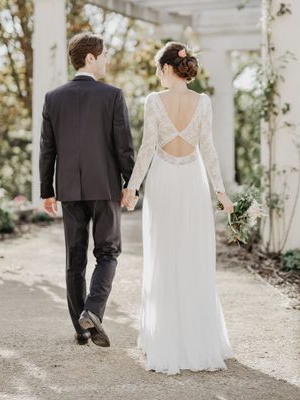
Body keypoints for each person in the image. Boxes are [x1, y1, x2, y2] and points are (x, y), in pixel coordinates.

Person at [124, 41, 235, 375]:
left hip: (163, 182)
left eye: (158, 68)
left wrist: (132, 187)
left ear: (166, 68)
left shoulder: (154, 101)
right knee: (194, 256)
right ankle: (199, 340)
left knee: (164, 255)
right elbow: (209, 150)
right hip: (192, 182)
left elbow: (146, 148)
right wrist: (221, 191)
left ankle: (166, 339)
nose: (158, 74)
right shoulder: (203, 102)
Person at [39, 32, 136, 347]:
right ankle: (92, 310)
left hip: (68, 188)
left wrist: (47, 190)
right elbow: (124, 148)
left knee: (74, 257)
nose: (108, 59)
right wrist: (130, 184)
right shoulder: (112, 96)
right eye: (105, 53)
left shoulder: (53, 98)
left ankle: (80, 328)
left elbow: (47, 149)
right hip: (104, 187)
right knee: (107, 252)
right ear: (91, 57)